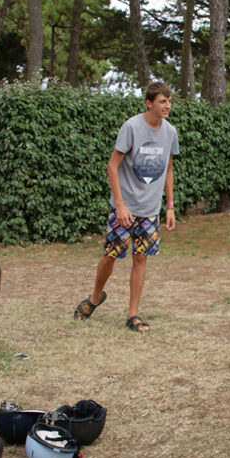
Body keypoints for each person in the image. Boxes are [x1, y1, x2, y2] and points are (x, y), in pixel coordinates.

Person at [74, 82, 179, 333]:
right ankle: (95, 298)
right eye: (163, 101)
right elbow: (112, 165)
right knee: (110, 255)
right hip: (125, 208)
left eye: (169, 101)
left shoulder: (170, 132)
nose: (167, 106)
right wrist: (119, 205)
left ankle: (133, 314)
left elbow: (168, 169)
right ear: (149, 103)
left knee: (140, 258)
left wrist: (170, 206)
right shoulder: (131, 127)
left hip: (150, 210)